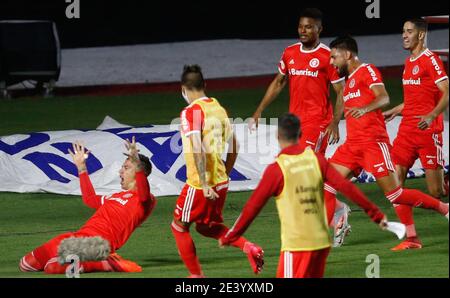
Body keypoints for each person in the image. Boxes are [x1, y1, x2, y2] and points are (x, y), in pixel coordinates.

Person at [220, 113, 388, 278]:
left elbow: (253, 207)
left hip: (296, 246)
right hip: (321, 244)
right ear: (300, 134)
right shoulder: (317, 160)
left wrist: (233, 235)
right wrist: (375, 213)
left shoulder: (277, 169)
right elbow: (346, 187)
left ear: (278, 137)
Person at [326, 35, 448, 249]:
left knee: (396, 194)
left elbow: (383, 97)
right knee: (324, 185)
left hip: (374, 144)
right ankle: (340, 215)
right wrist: (336, 122)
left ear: (347, 55)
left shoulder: (367, 70)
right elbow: (343, 102)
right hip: (352, 146)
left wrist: (365, 109)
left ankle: (443, 209)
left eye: (334, 57)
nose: (331, 62)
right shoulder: (349, 81)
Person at [249, 8, 350, 246]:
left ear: (319, 29)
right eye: (300, 26)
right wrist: (259, 109)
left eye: (308, 27)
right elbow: (279, 81)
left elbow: (341, 91)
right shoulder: (290, 52)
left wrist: (335, 121)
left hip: (318, 124)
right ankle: (337, 210)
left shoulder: (327, 56)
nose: (303, 31)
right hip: (294, 124)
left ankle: (323, 220)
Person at [171, 65, 264, 278]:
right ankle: (248, 246)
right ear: (205, 85)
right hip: (221, 181)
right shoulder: (218, 108)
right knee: (205, 227)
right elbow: (234, 146)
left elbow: (197, 147)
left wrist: (204, 184)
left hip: (199, 184)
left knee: (178, 226)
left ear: (183, 89)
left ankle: (196, 276)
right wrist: (223, 176)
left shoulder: (190, 112)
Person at [19, 138, 156, 274]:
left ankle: (107, 263)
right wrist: (82, 168)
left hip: (97, 245)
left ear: (140, 172)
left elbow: (143, 191)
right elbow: (89, 199)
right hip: (77, 238)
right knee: (26, 264)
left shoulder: (145, 199)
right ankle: (96, 260)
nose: (120, 171)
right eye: (122, 167)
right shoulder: (114, 196)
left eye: (126, 168)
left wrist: (137, 162)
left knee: (52, 267)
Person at [383, 18, 449, 250]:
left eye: (409, 31)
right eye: (403, 31)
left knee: (436, 191)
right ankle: (412, 239)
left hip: (428, 132)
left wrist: (431, 116)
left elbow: (446, 92)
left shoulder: (430, 59)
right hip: (406, 133)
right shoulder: (408, 61)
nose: (404, 35)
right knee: (395, 186)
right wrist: (396, 109)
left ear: (421, 35)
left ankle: (445, 188)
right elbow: (416, 98)